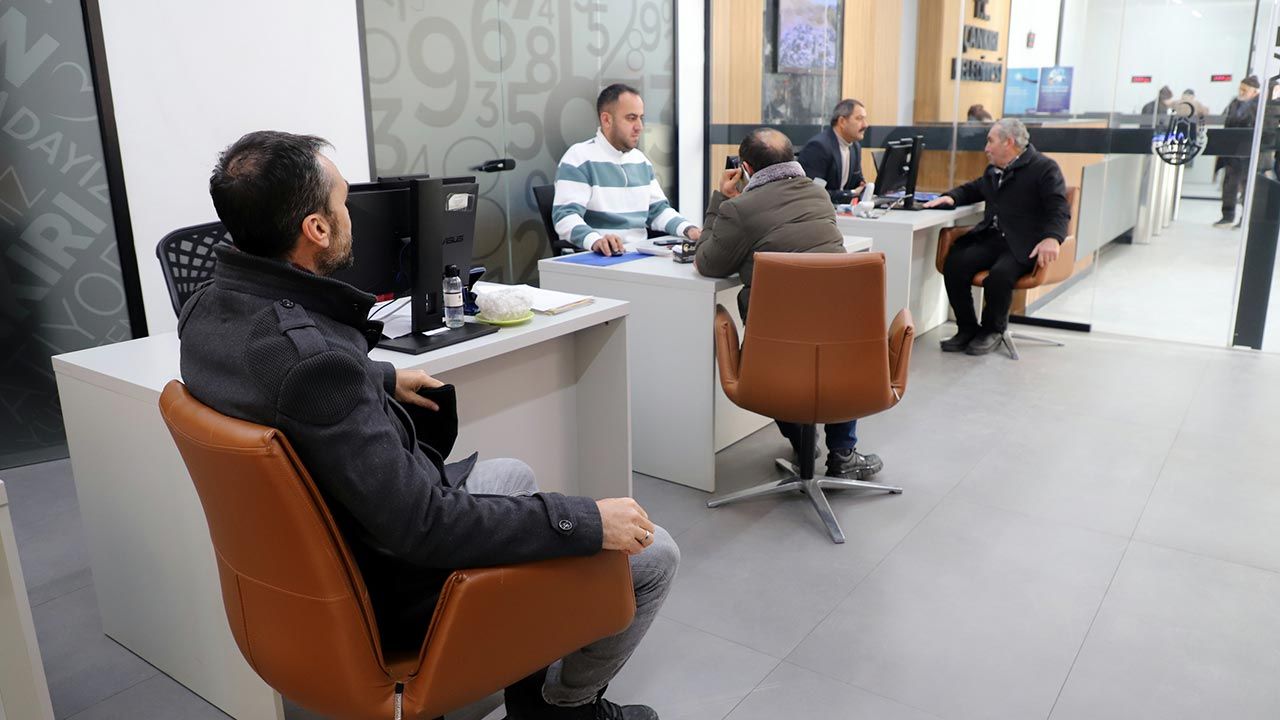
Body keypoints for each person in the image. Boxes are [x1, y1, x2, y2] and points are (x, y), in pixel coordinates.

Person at [183, 130, 678, 720]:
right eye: (343, 203)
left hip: (317, 561)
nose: (352, 216)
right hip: (392, 585)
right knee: (655, 555)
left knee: (513, 475)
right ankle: (564, 708)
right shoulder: (317, 367)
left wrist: (376, 378)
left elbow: (273, 379)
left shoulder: (206, 312)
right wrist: (587, 520)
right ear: (316, 229)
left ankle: (528, 679)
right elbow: (424, 526)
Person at [694, 128, 883, 480]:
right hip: (846, 346)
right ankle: (843, 454)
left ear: (746, 168)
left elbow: (707, 263)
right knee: (834, 346)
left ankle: (802, 442)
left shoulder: (738, 209)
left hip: (773, 353)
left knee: (773, 363)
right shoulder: (819, 195)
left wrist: (721, 198)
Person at [923, 118, 1070, 356]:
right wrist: (952, 197)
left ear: (1008, 142)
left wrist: (1052, 237)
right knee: (955, 264)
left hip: (1023, 243)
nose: (986, 148)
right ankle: (967, 328)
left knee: (1000, 276)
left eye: (990, 141)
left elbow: (1059, 209)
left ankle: (993, 330)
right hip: (992, 238)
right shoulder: (994, 170)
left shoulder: (1044, 168)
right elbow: (975, 188)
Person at [553, 83, 700, 256]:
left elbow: (658, 211)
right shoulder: (579, 158)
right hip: (596, 258)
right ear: (606, 120)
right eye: (631, 118)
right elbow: (565, 217)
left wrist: (689, 229)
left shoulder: (640, 161)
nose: (640, 126)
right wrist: (596, 241)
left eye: (641, 118)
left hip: (637, 257)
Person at [798, 98, 869, 204]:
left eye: (865, 119)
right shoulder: (819, 147)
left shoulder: (855, 147)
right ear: (842, 122)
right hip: (818, 210)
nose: (865, 125)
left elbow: (858, 181)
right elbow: (813, 193)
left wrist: (863, 186)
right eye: (859, 119)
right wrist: (851, 193)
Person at [1215, 75, 1261, 228]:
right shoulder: (1235, 102)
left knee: (1247, 186)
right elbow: (1225, 119)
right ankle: (1227, 216)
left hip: (1248, 152)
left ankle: (1245, 218)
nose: (1241, 92)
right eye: (1240, 89)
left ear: (1254, 92)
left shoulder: (1260, 105)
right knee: (1229, 184)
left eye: (1245, 90)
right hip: (1233, 150)